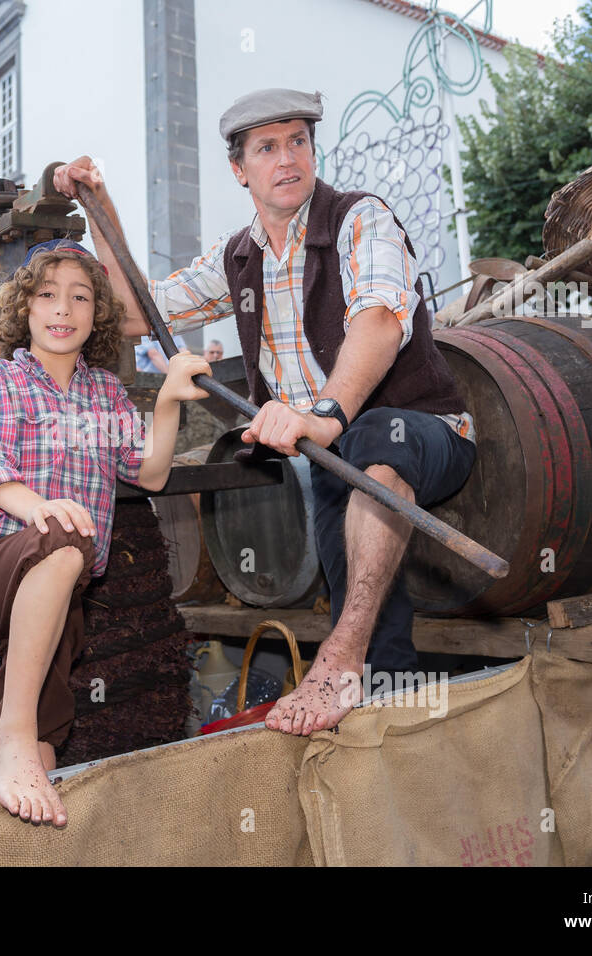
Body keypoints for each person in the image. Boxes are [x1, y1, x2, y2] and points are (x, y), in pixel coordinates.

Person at [55, 88, 477, 736]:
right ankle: (395, 757)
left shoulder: (361, 220)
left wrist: (326, 414)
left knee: (377, 438)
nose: (287, 158)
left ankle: (336, 664)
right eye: (267, 147)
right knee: (377, 637)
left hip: (422, 430)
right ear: (239, 169)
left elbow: (377, 323)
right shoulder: (240, 258)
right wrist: (99, 208)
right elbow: (137, 311)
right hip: (335, 462)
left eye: (298, 141)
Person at [0, 239, 208, 827]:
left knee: (49, 720)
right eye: (48, 295)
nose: (63, 309)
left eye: (79, 297)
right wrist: (42, 508)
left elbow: (152, 471)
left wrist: (167, 399)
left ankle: (33, 789)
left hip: (63, 575)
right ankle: (10, 743)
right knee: (64, 545)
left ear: (96, 314)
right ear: (26, 309)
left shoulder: (106, 393)